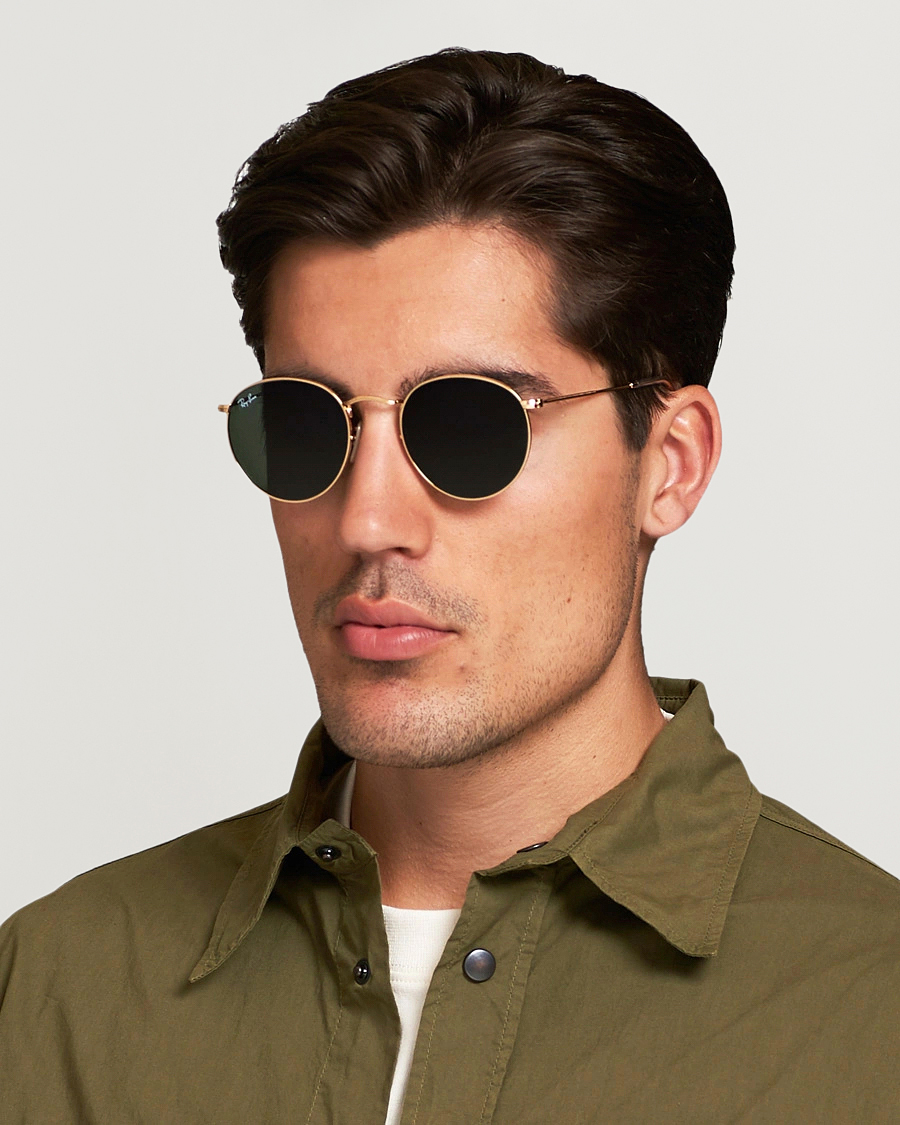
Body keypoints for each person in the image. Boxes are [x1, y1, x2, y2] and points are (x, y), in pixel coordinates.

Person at [1, 47, 897, 1124]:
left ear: (670, 464)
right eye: (307, 425)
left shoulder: (867, 1016)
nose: (367, 520)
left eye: (470, 426)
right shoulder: (57, 990)